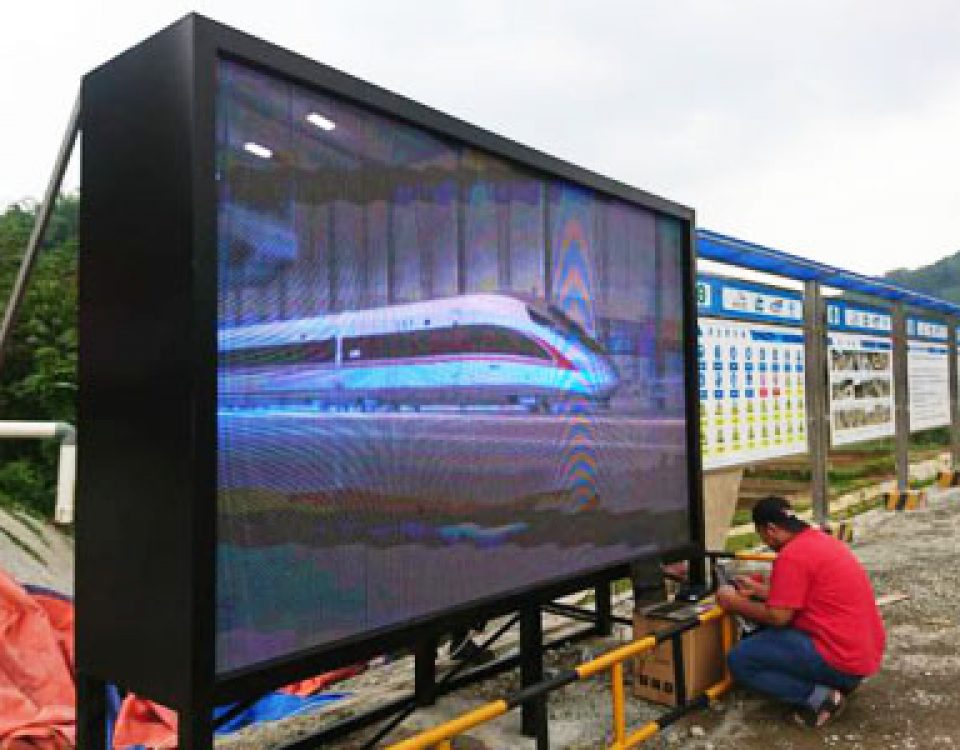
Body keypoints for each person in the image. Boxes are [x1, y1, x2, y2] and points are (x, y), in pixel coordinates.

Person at [716, 496, 886, 727]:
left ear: (771, 529)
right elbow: (805, 596)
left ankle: (820, 698)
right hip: (861, 654)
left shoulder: (792, 556)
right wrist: (758, 590)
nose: (765, 541)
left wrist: (732, 602)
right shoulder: (819, 541)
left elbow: (779, 616)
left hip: (841, 659)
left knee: (740, 660)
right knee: (765, 637)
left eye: (762, 535)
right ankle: (840, 683)